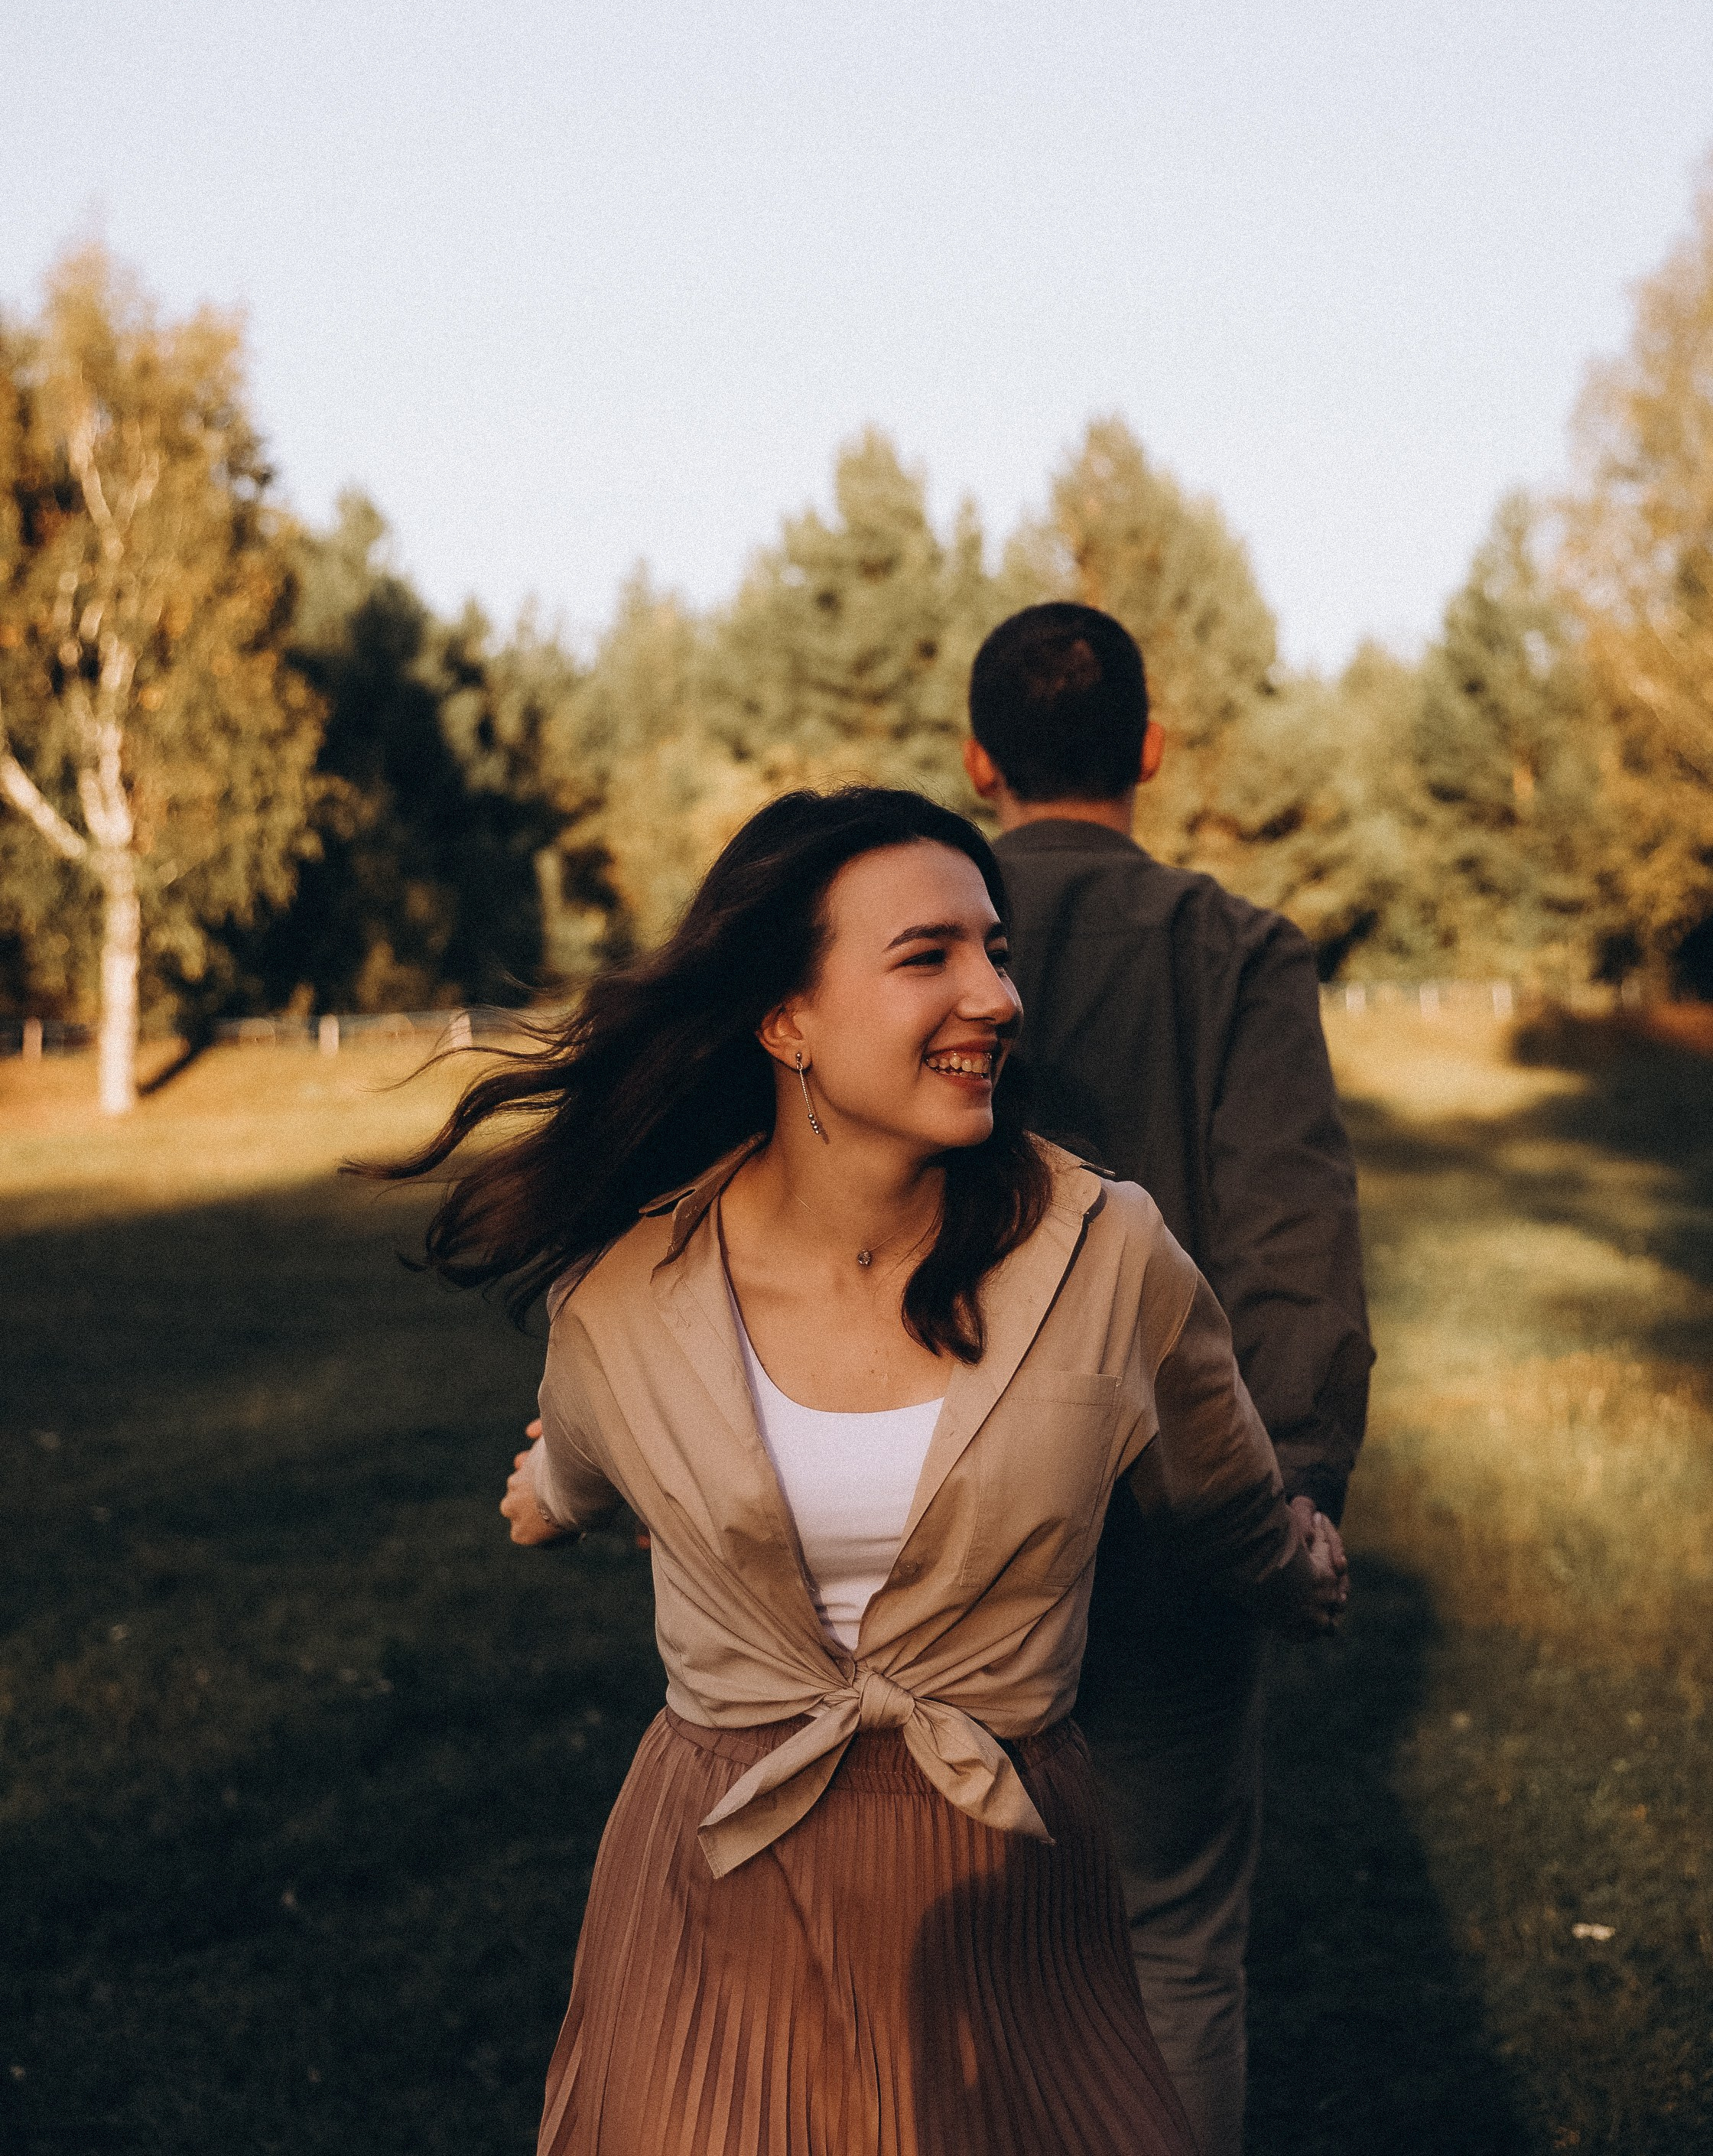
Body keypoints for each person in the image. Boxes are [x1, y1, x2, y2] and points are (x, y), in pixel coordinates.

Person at [381, 785, 1346, 2156]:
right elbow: (587, 1468)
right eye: (927, 956)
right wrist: (543, 1501)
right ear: (787, 1020)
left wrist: (1299, 1571)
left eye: (994, 950)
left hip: (1005, 1880)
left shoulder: (1107, 1254)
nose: (996, 997)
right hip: (718, 1871)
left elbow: (1223, 1495)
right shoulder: (628, 1295)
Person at [964, 604, 1373, 2156]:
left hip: (947, 1513)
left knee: (952, 1942)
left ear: (979, 760)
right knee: (1175, 1946)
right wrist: (1298, 1491)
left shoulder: (916, 937)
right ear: (1148, 747)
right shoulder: (1236, 950)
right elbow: (1290, 1239)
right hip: (1181, 1517)